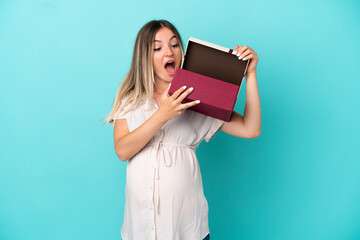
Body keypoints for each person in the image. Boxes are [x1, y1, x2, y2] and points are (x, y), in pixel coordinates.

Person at [105, 19, 261, 240]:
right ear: (145, 58)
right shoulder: (131, 100)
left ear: (183, 52)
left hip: (188, 229)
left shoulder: (199, 97)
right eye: (157, 48)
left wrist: (251, 75)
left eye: (174, 44)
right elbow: (122, 150)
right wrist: (162, 115)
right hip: (139, 229)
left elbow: (250, 128)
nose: (168, 51)